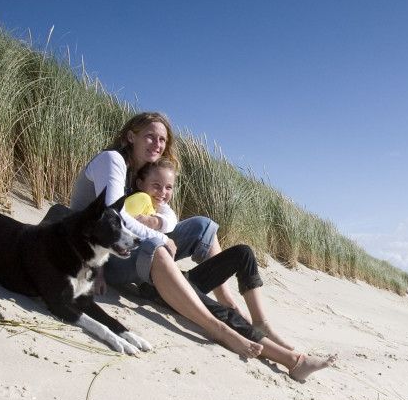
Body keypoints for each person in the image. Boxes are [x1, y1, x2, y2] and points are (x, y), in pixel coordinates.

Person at [70, 112, 334, 381]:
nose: (157, 143)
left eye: (162, 139)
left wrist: (157, 221)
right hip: (99, 254)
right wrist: (160, 237)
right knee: (159, 248)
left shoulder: (145, 175)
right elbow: (113, 217)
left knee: (203, 225)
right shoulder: (112, 161)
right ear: (131, 136)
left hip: (127, 249)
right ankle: (219, 329)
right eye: (150, 136)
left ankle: (233, 304)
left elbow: (169, 216)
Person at [130, 158, 296, 349]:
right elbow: (124, 227)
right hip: (158, 287)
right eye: (156, 186)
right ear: (140, 183)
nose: (162, 193)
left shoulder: (159, 210)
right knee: (224, 312)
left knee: (244, 252)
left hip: (178, 277)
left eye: (168, 187)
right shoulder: (137, 204)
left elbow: (171, 219)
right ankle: (284, 356)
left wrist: (158, 224)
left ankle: (260, 322)